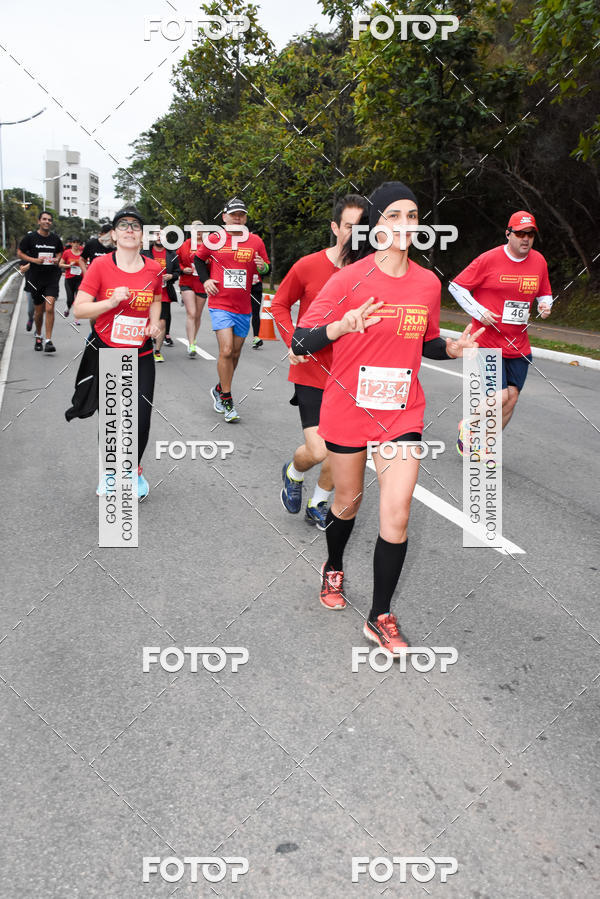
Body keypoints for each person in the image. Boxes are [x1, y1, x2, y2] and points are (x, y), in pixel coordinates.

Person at [292, 181, 483, 654]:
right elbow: (301, 340)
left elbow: (427, 341)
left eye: (413, 216)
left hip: (401, 412)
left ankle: (380, 615)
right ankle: (333, 563)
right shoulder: (346, 280)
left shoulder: (426, 283)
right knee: (348, 501)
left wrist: (451, 348)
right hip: (349, 408)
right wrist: (341, 324)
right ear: (377, 225)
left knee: (396, 515)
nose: (405, 225)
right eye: (394, 216)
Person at [273, 194, 368, 529]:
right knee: (318, 450)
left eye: (363, 228)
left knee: (343, 449)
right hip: (312, 369)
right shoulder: (308, 266)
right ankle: (294, 471)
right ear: (334, 227)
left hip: (353, 373)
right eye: (348, 227)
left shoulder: (371, 271)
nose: (356, 234)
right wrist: (292, 342)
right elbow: (279, 305)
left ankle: (319, 502)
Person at [67, 206, 162, 498]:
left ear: (142, 234)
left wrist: (156, 323)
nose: (129, 230)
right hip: (109, 352)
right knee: (114, 419)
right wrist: (110, 302)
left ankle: (132, 470)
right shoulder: (100, 267)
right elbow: (79, 309)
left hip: (142, 354)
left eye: (135, 225)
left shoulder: (154, 268)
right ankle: (110, 473)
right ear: (114, 234)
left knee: (141, 419)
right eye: (123, 225)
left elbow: (156, 299)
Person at [448, 210, 553, 452]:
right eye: (520, 233)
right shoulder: (489, 259)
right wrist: (479, 311)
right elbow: (456, 287)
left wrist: (545, 305)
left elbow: (545, 292)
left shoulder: (539, 261)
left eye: (530, 234)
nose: (525, 239)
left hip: (518, 344)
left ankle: (484, 445)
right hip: (487, 342)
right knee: (500, 396)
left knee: (512, 397)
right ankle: (469, 425)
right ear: (508, 234)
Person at [194, 198, 270, 423]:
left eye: (242, 215)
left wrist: (262, 267)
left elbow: (266, 266)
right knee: (226, 350)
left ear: (245, 219)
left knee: (235, 353)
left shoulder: (255, 241)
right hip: (220, 303)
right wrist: (206, 280)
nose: (238, 218)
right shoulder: (215, 239)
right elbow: (198, 259)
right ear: (224, 217)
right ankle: (227, 399)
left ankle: (219, 388)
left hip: (243, 306)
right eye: (234, 214)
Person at [17, 211, 64, 353]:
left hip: (51, 278)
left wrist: (57, 259)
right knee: (38, 312)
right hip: (35, 279)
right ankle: (38, 335)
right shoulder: (30, 238)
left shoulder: (55, 238)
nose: (47, 221)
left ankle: (48, 340)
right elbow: (20, 252)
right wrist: (34, 260)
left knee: (49, 307)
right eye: (44, 219)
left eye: (49, 220)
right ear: (39, 221)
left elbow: (60, 252)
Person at [142, 230, 180, 361]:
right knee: (145, 320)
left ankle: (157, 351)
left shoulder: (171, 254)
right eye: (156, 235)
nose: (159, 237)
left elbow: (177, 271)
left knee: (162, 321)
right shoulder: (144, 252)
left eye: (161, 235)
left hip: (164, 293)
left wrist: (171, 276)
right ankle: (144, 346)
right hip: (146, 292)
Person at [176, 221, 207, 358]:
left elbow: (215, 262)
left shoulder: (209, 245)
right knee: (192, 313)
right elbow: (176, 262)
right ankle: (191, 344)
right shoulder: (185, 245)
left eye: (200, 228)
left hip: (201, 282)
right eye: (195, 228)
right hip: (187, 282)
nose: (198, 231)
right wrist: (183, 269)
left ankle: (193, 338)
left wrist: (208, 263)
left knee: (198, 315)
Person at [60, 237, 87, 325]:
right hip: (69, 279)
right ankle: (67, 308)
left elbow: (86, 264)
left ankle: (77, 319)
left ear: (80, 244)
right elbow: (60, 264)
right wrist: (68, 265)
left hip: (79, 279)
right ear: (71, 244)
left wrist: (84, 266)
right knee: (70, 299)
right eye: (74, 242)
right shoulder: (67, 253)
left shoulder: (83, 254)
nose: (76, 245)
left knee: (78, 299)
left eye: (78, 243)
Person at [250, 273, 263, 348]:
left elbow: (268, 269)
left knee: (255, 313)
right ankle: (232, 334)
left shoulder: (260, 260)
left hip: (256, 288)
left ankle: (256, 338)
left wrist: (263, 268)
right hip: (240, 288)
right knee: (238, 311)